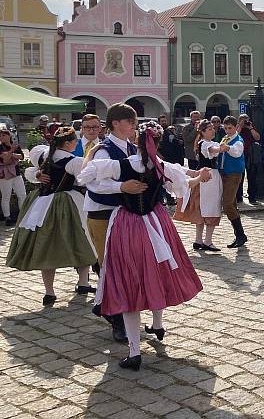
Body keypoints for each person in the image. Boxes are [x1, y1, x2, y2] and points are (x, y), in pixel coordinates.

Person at [78, 121, 207, 371]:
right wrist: (200, 176)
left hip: (126, 224)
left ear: (137, 141)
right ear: (157, 143)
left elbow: (87, 179)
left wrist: (118, 186)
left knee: (129, 282)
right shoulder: (163, 167)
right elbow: (180, 187)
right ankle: (157, 324)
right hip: (156, 223)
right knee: (156, 272)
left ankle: (135, 352)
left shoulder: (120, 164)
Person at [7, 128, 96, 304]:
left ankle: (50, 291)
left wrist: (38, 174)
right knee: (82, 239)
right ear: (69, 143)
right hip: (67, 203)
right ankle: (83, 281)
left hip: (41, 203)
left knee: (46, 244)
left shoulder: (43, 155)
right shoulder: (73, 161)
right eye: (74, 142)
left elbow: (30, 172)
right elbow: (85, 179)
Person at [83, 103, 146, 343]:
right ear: (116, 123)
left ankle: (110, 308)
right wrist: (122, 186)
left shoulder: (130, 147)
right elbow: (93, 183)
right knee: (110, 265)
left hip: (123, 214)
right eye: (130, 122)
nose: (133, 126)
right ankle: (116, 318)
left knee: (125, 265)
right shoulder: (103, 150)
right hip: (102, 213)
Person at [175, 119, 224, 252]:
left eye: (213, 128)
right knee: (205, 207)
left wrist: (220, 147)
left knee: (209, 207)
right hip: (205, 177)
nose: (213, 130)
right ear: (202, 132)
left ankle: (202, 240)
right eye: (209, 129)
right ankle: (203, 241)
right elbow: (212, 149)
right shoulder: (203, 143)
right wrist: (221, 148)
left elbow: (215, 148)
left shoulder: (210, 142)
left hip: (212, 177)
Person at [219, 116, 247, 248]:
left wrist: (227, 148)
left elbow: (237, 152)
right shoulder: (226, 138)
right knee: (232, 204)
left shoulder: (238, 140)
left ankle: (240, 234)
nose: (227, 130)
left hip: (234, 174)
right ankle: (239, 235)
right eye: (225, 128)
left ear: (236, 127)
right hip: (225, 173)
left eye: (230, 128)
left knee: (227, 204)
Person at [0, 128, 26, 226]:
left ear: (9, 135)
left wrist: (10, 154)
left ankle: (23, 215)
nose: (1, 137)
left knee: (22, 194)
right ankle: (7, 217)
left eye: (4, 135)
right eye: (0, 136)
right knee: (6, 196)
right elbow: (5, 161)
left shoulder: (16, 145)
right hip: (4, 175)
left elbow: (22, 156)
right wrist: (11, 152)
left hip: (16, 173)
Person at [236, 114, 262, 204]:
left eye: (246, 120)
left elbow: (257, 137)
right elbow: (234, 136)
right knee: (240, 177)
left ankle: (252, 197)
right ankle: (239, 197)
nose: (245, 122)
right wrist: (240, 125)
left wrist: (250, 127)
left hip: (251, 155)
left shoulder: (251, 128)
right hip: (240, 155)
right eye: (243, 120)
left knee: (252, 176)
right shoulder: (237, 128)